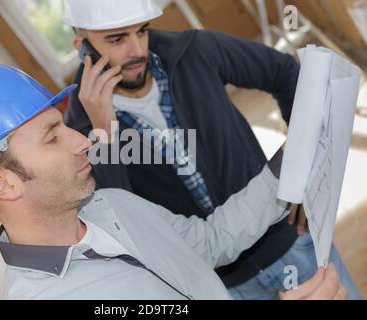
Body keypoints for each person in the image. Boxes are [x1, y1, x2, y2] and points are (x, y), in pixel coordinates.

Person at [0, 64, 347, 300]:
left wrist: (286, 166)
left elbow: (211, 241)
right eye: (53, 137)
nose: (83, 140)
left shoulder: (112, 206)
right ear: (4, 183)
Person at [62, 0, 362, 299]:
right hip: (219, 285)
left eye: (141, 31)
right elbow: (121, 220)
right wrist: (105, 134)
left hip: (287, 240)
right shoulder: (79, 133)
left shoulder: (193, 51)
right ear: (82, 46)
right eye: (116, 39)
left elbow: (285, 72)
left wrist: (306, 176)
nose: (137, 50)